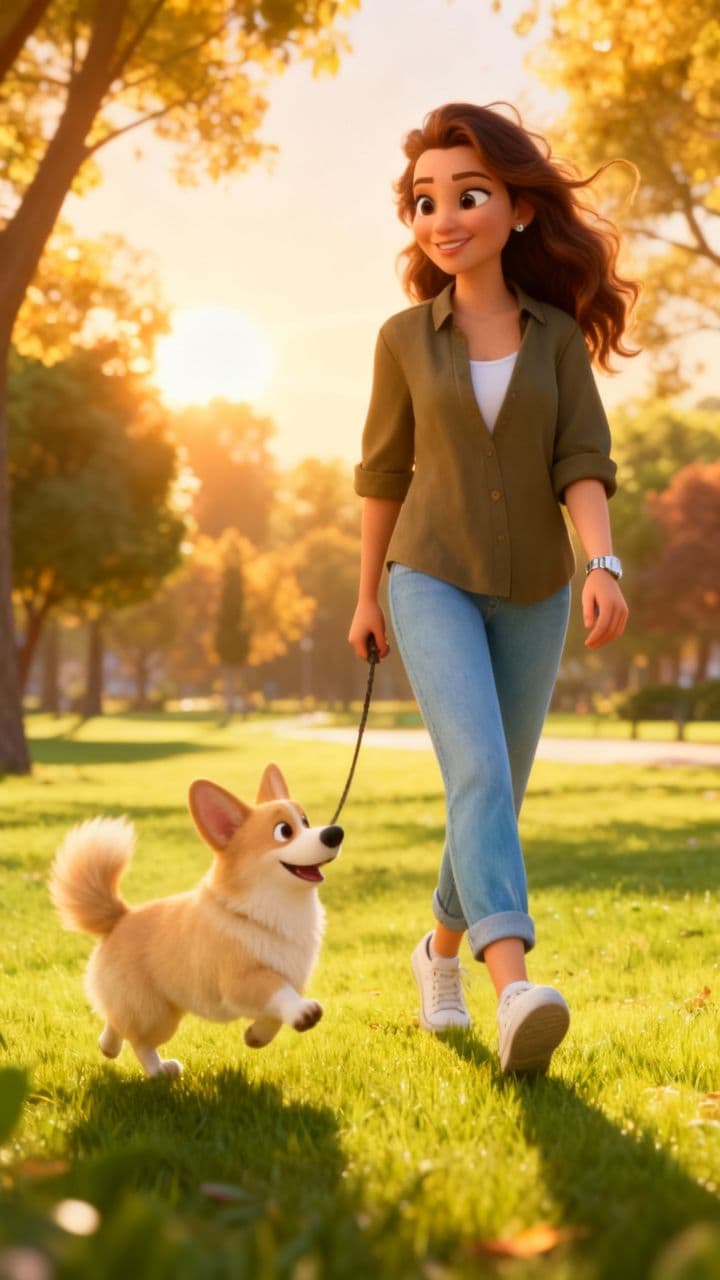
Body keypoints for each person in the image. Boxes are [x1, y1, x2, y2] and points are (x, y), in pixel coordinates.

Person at [348, 102, 637, 1074]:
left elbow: (582, 460)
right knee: (476, 774)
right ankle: (515, 986)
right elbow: (382, 472)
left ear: (517, 210)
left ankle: (436, 950)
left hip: (537, 588)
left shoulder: (556, 339)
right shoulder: (400, 339)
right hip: (428, 577)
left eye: (467, 194)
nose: (443, 216)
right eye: (425, 200)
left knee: (495, 791)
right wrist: (363, 597)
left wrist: (602, 563)